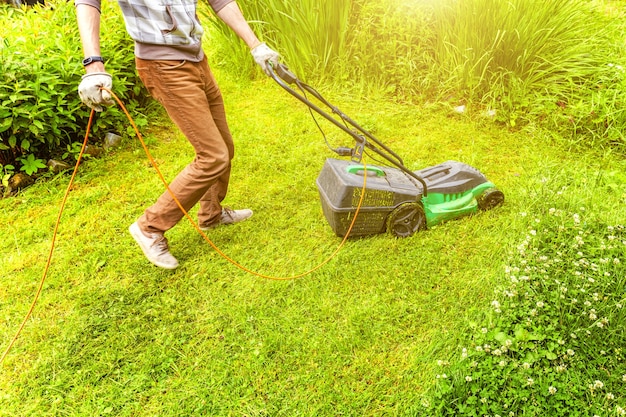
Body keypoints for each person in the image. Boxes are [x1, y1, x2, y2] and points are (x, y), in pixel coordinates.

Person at [75, 0, 280, 270]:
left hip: (197, 59)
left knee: (224, 148)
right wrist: (93, 65)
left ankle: (211, 214)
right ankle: (149, 226)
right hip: (163, 67)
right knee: (212, 156)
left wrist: (256, 45)